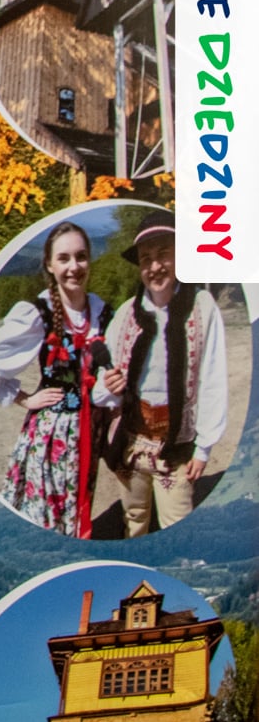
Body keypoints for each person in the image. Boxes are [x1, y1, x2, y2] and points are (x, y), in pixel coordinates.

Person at [93, 218, 227, 536]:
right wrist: (109, 387)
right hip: (132, 442)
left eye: (163, 254)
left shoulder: (202, 307)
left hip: (175, 445)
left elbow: (213, 378)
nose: (155, 266)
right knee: (134, 518)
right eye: (146, 259)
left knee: (176, 524)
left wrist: (203, 448)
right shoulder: (127, 314)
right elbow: (102, 384)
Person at [0, 221, 112, 538]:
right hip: (51, 436)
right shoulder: (38, 313)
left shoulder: (102, 312)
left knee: (77, 509)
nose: (74, 267)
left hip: (91, 431)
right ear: (49, 264)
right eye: (64, 258)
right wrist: (24, 399)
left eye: (81, 256)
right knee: (47, 517)